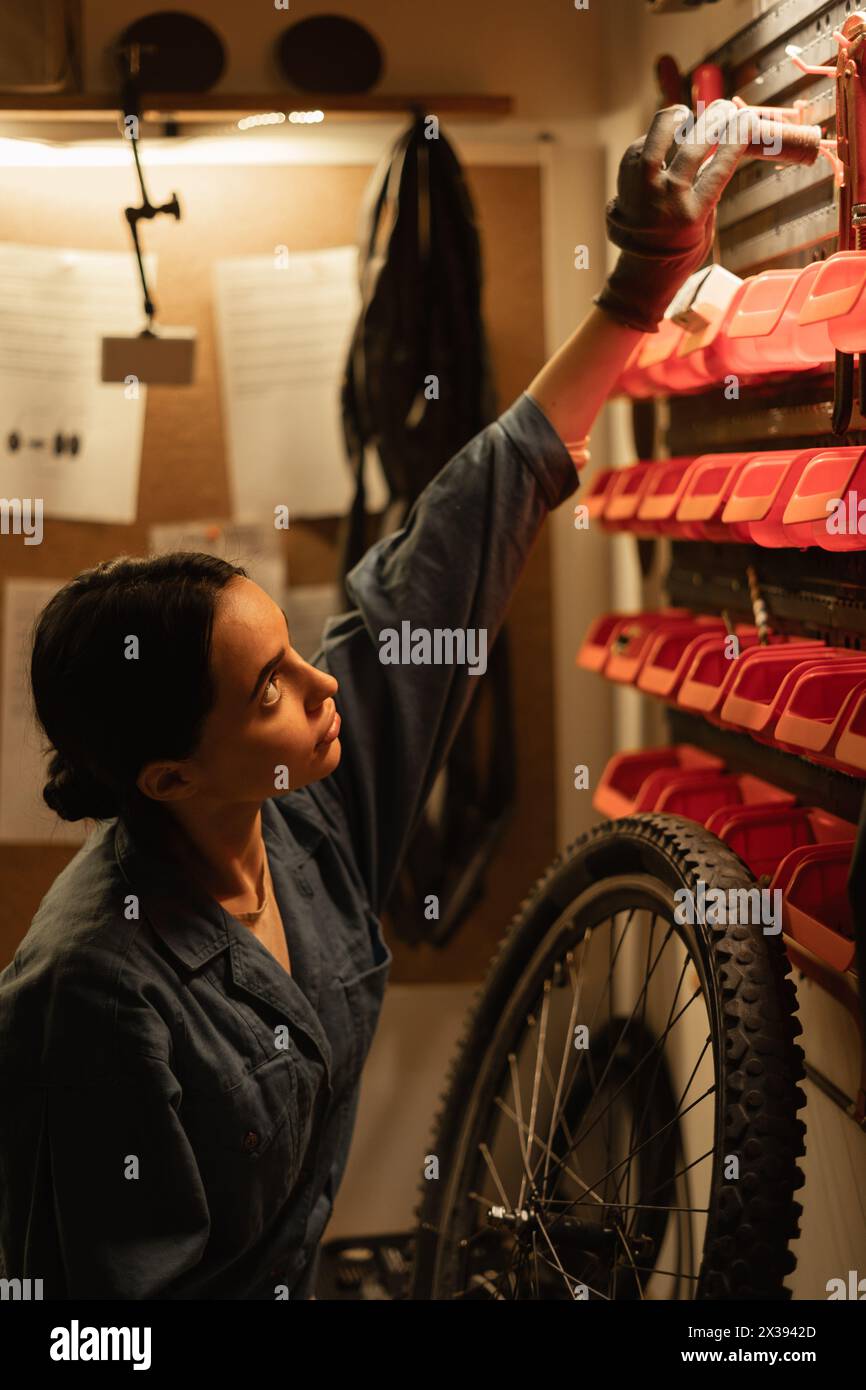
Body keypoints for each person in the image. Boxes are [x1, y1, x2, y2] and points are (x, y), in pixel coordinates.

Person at [0, 102, 754, 1300]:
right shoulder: (91, 991)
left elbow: (464, 523)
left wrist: (639, 283)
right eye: (269, 692)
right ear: (168, 777)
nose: (319, 689)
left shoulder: (297, 802)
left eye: (294, 652)